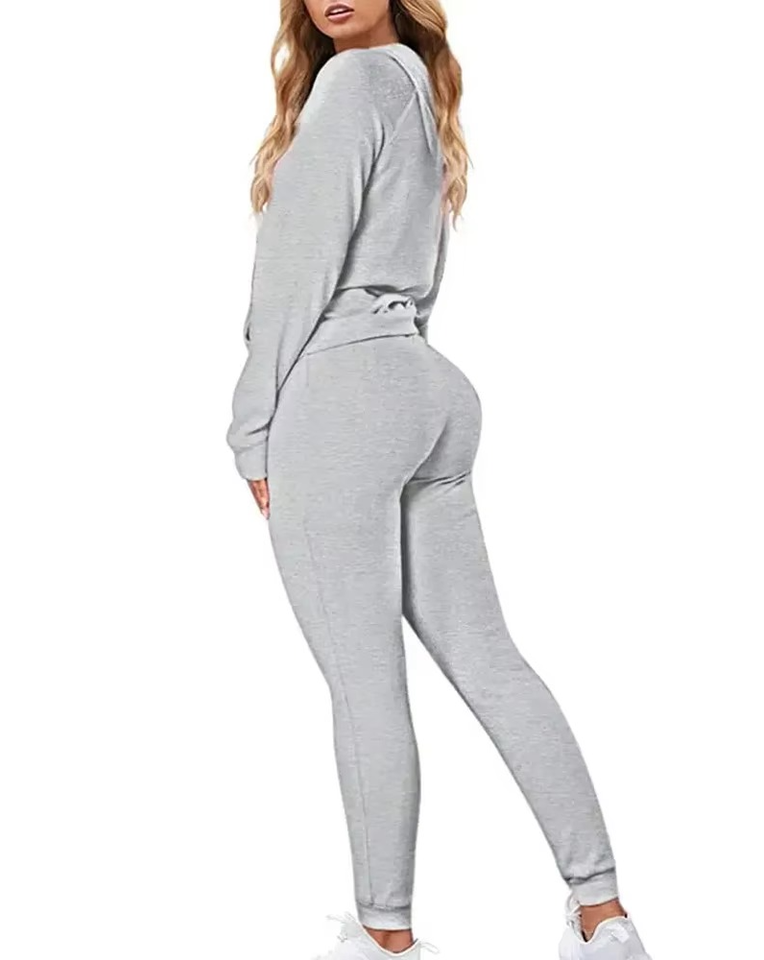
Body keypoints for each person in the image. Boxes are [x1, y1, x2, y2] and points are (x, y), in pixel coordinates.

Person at [227, 2, 653, 958]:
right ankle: (603, 914)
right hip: (425, 386)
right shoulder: (420, 90)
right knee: (491, 659)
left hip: (340, 396)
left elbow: (295, 271)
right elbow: (418, 262)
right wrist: (398, 365)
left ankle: (386, 939)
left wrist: (251, 428)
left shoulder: (350, 84)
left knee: (364, 683)